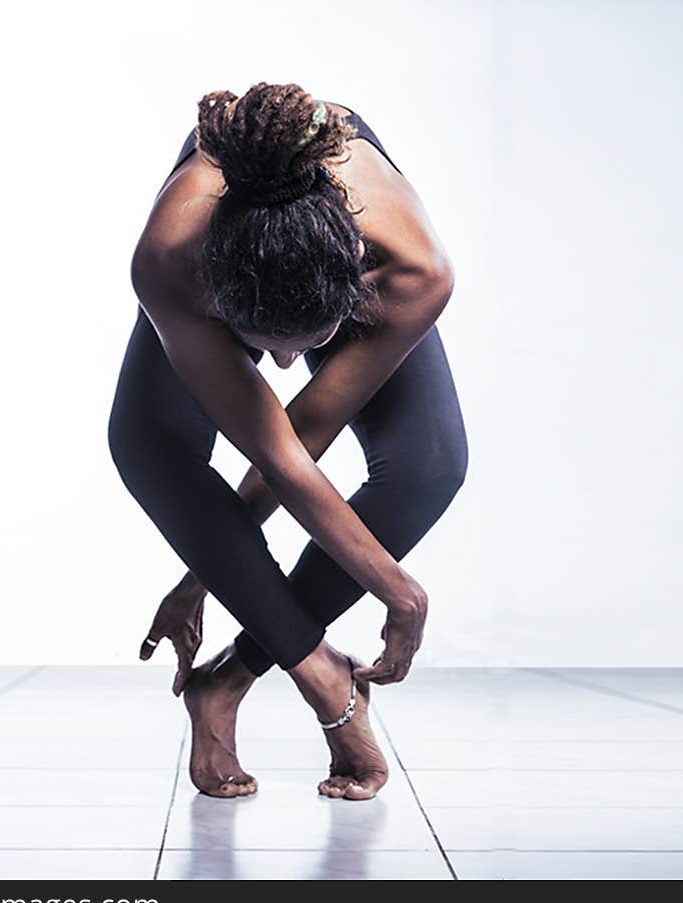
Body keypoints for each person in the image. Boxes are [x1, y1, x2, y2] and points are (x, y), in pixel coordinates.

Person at [108, 82, 467, 801]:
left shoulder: (411, 270)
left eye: (303, 349)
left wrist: (205, 573)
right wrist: (394, 589)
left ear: (355, 290)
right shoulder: (171, 260)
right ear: (220, 304)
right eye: (260, 349)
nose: (280, 368)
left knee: (429, 466)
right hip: (212, 246)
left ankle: (228, 680)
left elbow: (300, 438)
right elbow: (277, 455)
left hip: (336, 244)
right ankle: (323, 675)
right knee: (146, 444)